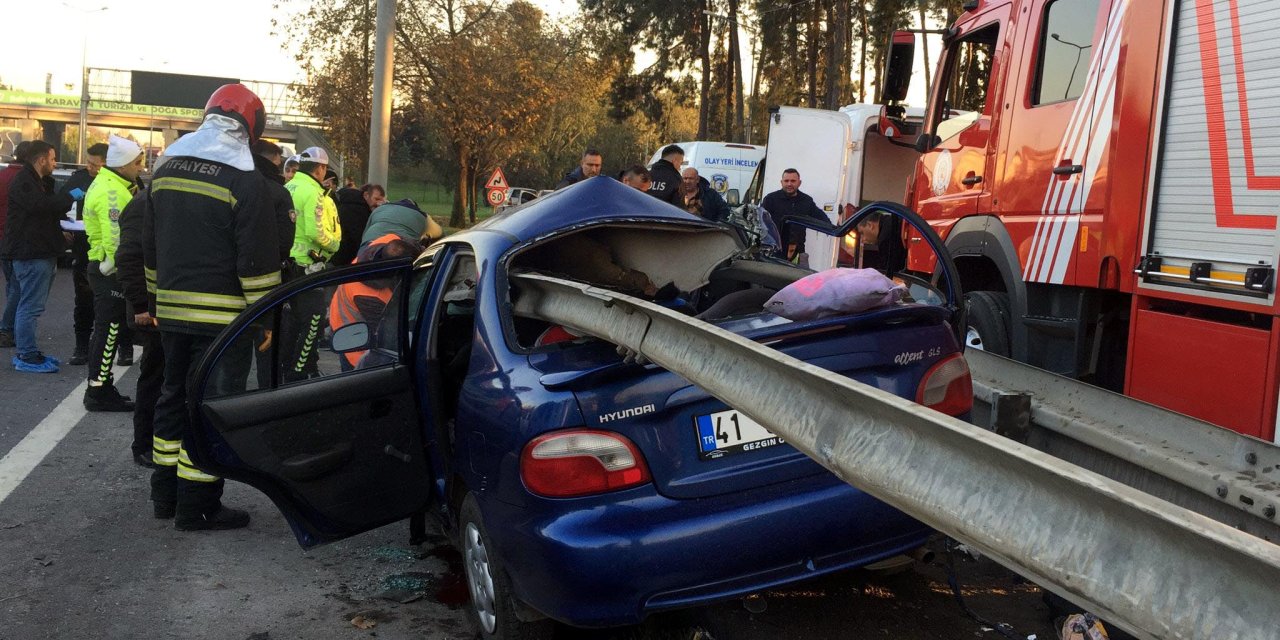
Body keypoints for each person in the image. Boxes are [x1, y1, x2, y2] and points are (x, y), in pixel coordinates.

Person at [142, 83, 281, 530]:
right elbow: (256, 260)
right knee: (211, 407)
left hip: (173, 313)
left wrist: (155, 298)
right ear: (251, 127)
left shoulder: (164, 169)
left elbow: (149, 245)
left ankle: (165, 495)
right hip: (224, 321)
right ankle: (198, 504)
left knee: (172, 398)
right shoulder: (244, 178)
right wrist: (264, 318)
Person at [1, 141, 77, 373]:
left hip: (38, 251)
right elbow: (41, 207)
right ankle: (26, 355)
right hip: (31, 253)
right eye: (53, 159)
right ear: (41, 159)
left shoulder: (38, 181)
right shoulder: (24, 182)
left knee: (30, 305)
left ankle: (29, 351)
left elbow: (44, 211)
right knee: (29, 306)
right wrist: (71, 195)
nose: (55, 164)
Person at [82, 135, 145, 411]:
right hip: (109, 270)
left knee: (108, 329)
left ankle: (101, 385)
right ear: (122, 165)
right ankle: (98, 391)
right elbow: (116, 241)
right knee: (109, 329)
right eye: (138, 162)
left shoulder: (115, 184)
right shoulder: (113, 192)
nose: (141, 168)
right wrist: (126, 273)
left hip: (105, 267)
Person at [283, 146, 341, 381]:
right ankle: (298, 371)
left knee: (293, 321)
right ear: (320, 168)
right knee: (314, 320)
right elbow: (316, 233)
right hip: (308, 266)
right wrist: (335, 245)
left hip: (287, 265)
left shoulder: (289, 186)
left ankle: (289, 367)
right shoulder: (315, 193)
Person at [115, 186, 161, 467]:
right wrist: (142, 305)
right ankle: (143, 444)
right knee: (154, 378)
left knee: (163, 378)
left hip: (162, 306)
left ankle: (155, 441)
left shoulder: (155, 199)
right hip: (150, 308)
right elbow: (129, 257)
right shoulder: (144, 204)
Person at [60, 142, 108, 365]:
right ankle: (81, 347)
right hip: (83, 247)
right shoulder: (79, 179)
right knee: (84, 300)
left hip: (111, 251)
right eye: (88, 162)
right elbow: (60, 202)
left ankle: (122, 347)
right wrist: (62, 227)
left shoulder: (118, 181)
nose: (90, 167)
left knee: (112, 302)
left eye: (95, 164)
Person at [0, 140, 33, 348]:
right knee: (18, 287)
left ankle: (10, 324)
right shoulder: (26, 180)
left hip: (2, 237)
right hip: (19, 239)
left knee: (12, 284)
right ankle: (7, 328)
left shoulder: (2, 176)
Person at [759, 168, 830, 258]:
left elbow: (820, 216)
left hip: (798, 252)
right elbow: (759, 220)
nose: (789, 184)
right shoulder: (770, 199)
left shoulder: (806, 201)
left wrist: (830, 227)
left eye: (793, 181)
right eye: (786, 181)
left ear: (799, 183)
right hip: (774, 251)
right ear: (781, 182)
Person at [332, 183, 386, 266]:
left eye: (381, 201)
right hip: (346, 258)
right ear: (366, 195)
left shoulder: (348, 203)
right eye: (376, 199)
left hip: (336, 253)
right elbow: (359, 238)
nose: (378, 204)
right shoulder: (360, 211)